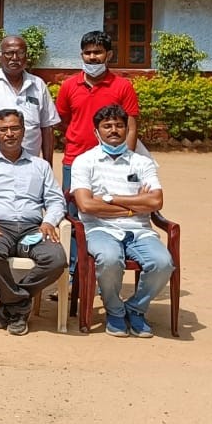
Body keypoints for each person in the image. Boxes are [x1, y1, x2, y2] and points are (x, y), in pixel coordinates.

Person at [0, 110, 68, 335]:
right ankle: (20, 306)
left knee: (56, 259)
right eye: (3, 129)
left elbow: (56, 201)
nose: (9, 134)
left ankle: (11, 305)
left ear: (24, 131)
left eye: (14, 128)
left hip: (33, 228)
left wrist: (49, 221)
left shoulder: (40, 166)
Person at [70, 104, 172, 338]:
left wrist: (110, 198)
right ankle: (115, 311)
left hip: (139, 230)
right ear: (97, 132)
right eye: (107, 126)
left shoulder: (142, 162)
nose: (113, 130)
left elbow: (156, 201)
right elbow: (86, 205)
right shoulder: (84, 162)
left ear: (127, 129)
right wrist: (135, 203)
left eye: (119, 125)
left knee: (163, 262)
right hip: (99, 229)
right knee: (109, 259)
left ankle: (135, 308)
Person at [55, 30, 140, 194]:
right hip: (75, 158)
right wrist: (79, 135)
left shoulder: (123, 86)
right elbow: (62, 121)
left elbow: (131, 128)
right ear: (82, 55)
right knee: (73, 212)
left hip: (112, 161)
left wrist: (126, 159)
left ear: (109, 55)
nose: (92, 57)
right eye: (88, 52)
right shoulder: (69, 85)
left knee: (110, 207)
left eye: (98, 52)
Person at [0, 35, 58, 168]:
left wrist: (48, 165)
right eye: (8, 53)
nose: (14, 58)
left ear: (26, 56)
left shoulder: (38, 84)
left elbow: (47, 127)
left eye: (20, 53)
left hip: (29, 165)